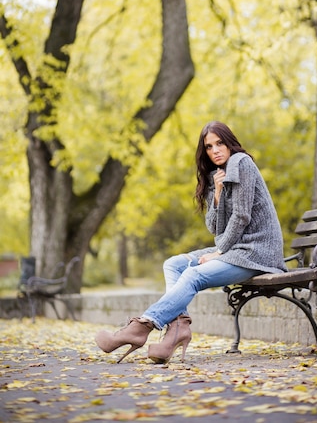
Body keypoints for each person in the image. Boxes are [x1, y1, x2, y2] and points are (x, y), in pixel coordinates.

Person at [95, 121, 287, 364]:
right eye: (209, 146)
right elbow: (214, 228)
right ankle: (177, 330)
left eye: (220, 143)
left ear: (230, 142)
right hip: (237, 248)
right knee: (174, 264)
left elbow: (241, 217)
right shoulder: (217, 175)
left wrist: (220, 253)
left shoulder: (242, 163)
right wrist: (217, 195)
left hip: (257, 252)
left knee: (192, 275)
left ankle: (141, 327)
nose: (215, 150)